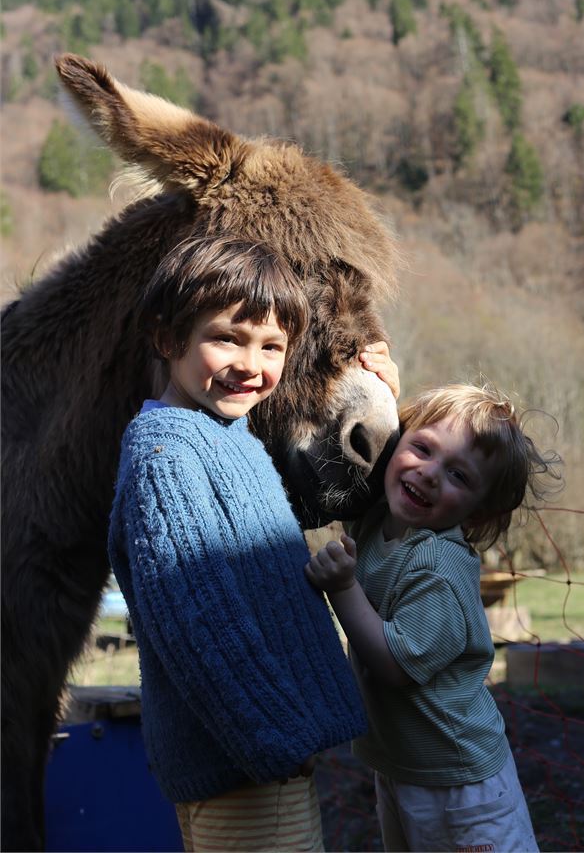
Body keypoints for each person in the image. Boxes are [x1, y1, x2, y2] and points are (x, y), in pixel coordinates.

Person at [108, 236, 398, 852]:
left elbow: (264, 534)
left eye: (272, 347)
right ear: (167, 340)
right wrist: (276, 740)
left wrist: (386, 396)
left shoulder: (225, 434)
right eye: (227, 339)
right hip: (247, 765)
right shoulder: (169, 456)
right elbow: (198, 625)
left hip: (262, 755)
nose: (252, 365)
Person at [305, 382, 563, 853]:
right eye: (422, 448)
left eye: (459, 477)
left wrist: (342, 588)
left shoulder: (439, 566)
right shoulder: (375, 520)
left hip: (458, 783)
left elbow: (395, 666)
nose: (428, 474)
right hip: (402, 766)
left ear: (478, 512)